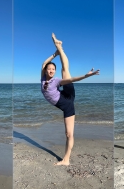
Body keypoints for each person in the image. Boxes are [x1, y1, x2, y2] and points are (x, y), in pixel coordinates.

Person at [41, 33, 99, 165]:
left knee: (69, 134)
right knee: (64, 68)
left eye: (52, 69)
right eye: (49, 69)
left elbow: (71, 79)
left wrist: (85, 76)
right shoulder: (43, 78)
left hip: (67, 102)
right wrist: (55, 54)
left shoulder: (56, 81)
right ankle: (60, 48)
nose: (50, 70)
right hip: (62, 98)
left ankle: (66, 159)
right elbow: (44, 62)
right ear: (45, 71)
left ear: (53, 72)